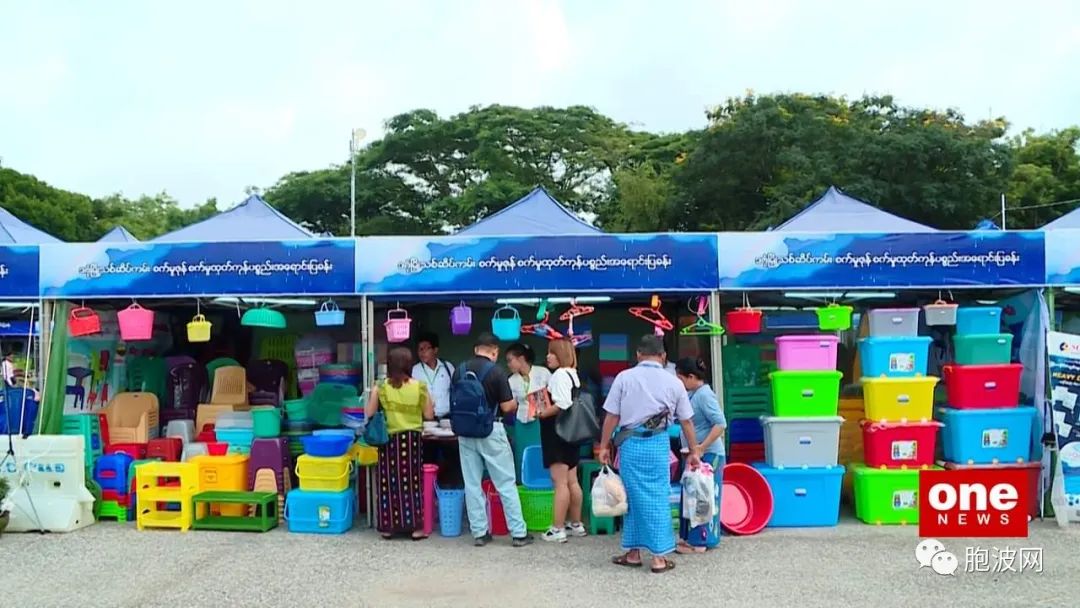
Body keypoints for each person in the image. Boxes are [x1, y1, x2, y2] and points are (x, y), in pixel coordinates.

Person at [598, 335, 700, 574]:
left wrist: (603, 446)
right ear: (663, 356)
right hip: (658, 445)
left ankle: (634, 553)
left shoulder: (624, 377)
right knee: (657, 497)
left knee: (631, 498)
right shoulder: (674, 382)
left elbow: (611, 416)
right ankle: (657, 558)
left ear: (638, 354)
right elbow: (687, 421)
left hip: (630, 445)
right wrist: (694, 451)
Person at [455, 333, 534, 547]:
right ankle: (518, 533)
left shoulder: (459, 370)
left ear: (475, 349)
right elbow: (508, 406)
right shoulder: (496, 372)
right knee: (505, 483)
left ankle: (480, 533)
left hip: (465, 432)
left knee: (472, 483)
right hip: (491, 429)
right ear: (494, 351)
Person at [365, 346, 435, 540]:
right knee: (412, 483)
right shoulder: (420, 386)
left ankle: (388, 527)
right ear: (408, 364)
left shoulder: (381, 386)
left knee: (387, 482)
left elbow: (369, 413)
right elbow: (429, 415)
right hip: (412, 440)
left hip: (389, 440)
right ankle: (415, 528)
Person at [536, 338, 586, 543]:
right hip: (572, 433)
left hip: (557, 433)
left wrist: (541, 412)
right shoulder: (573, 374)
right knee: (572, 480)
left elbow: (562, 404)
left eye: (553, 353)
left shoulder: (558, 375)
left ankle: (557, 528)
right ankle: (576, 524)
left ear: (562, 355)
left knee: (560, 482)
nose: (548, 356)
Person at [674, 357, 726, 554]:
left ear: (691, 377)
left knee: (703, 497)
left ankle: (701, 541)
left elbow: (720, 423)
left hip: (709, 454)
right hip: (695, 454)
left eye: (681, 378)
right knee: (693, 496)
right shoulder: (693, 394)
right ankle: (691, 538)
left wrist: (701, 447)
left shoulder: (704, 395)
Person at [505, 343, 552, 424]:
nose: (508, 365)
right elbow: (511, 405)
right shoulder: (511, 380)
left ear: (521, 359)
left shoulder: (543, 372)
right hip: (522, 421)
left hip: (545, 420)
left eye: (510, 361)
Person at [412, 333, 455, 419]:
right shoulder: (415, 370)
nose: (422, 353)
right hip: (424, 418)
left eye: (426, 349)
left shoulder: (448, 367)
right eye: (420, 349)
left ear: (435, 350)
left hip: (447, 417)